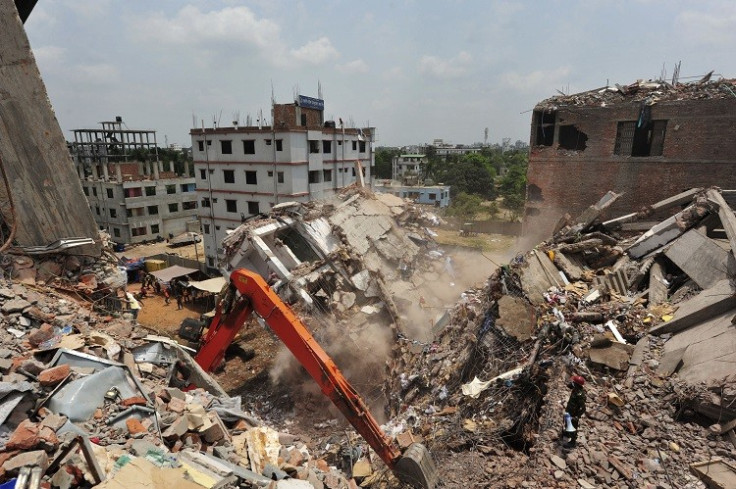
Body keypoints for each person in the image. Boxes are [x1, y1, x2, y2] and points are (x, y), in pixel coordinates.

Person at [562, 375, 586, 448]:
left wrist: (577, 416)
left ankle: (572, 442)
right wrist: (571, 384)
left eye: (574, 382)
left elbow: (583, 408)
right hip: (569, 410)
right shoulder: (575, 389)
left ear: (577, 384)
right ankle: (567, 433)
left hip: (574, 413)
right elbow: (569, 386)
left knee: (572, 426)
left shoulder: (580, 395)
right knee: (567, 422)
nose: (573, 383)